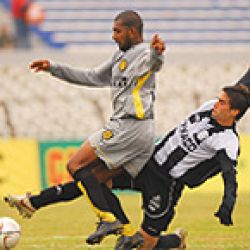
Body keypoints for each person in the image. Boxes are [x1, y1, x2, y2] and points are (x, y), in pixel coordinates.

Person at [5, 79, 250, 249]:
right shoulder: (209, 107)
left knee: (144, 244)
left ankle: (173, 242)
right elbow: (240, 87)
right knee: (91, 178)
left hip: (166, 184)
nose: (216, 103)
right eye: (218, 99)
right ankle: (34, 202)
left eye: (222, 103)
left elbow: (230, 174)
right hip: (147, 162)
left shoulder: (226, 141)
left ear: (235, 113)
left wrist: (227, 204)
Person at [28, 10, 165, 245]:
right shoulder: (118, 58)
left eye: (117, 31)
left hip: (130, 125)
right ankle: (130, 233)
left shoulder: (143, 54)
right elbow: (91, 77)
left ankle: (108, 219)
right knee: (95, 179)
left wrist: (157, 53)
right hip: (139, 129)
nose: (113, 36)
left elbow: (154, 63)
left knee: (75, 164)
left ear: (132, 32)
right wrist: (54, 67)